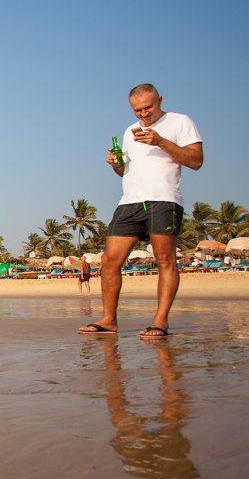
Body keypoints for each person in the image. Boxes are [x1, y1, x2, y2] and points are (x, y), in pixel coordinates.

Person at [79, 84, 203, 337]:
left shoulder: (180, 122)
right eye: (137, 111)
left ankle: (160, 321)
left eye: (148, 108)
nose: (144, 115)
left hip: (164, 200)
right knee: (110, 260)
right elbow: (125, 172)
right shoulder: (129, 131)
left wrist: (160, 141)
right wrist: (116, 163)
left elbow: (196, 161)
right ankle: (108, 320)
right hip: (129, 202)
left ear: (159, 99)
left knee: (165, 260)